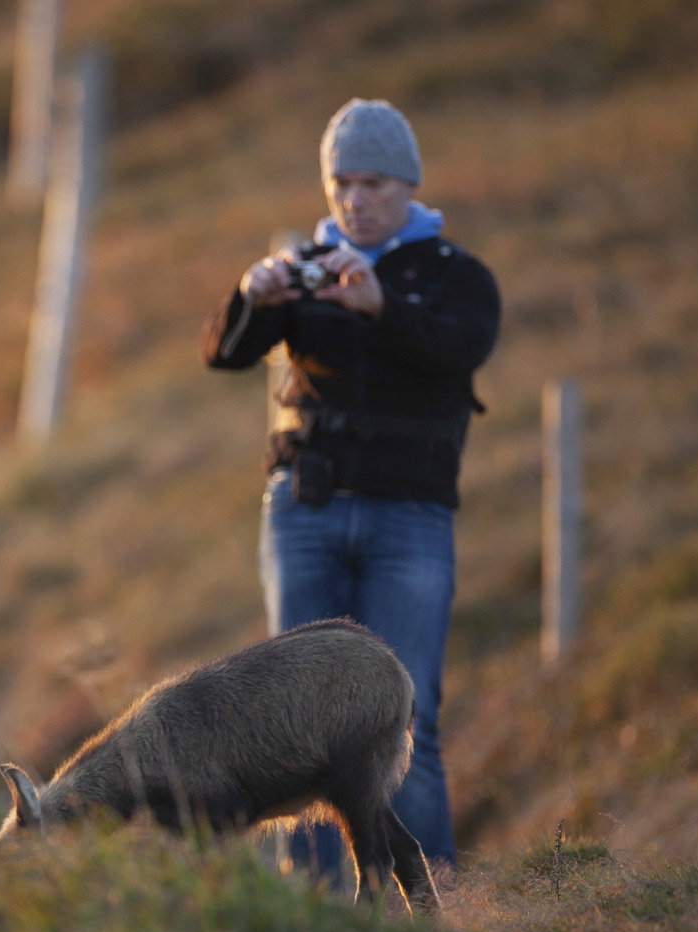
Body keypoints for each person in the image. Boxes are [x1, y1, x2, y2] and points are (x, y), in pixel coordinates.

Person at [200, 98, 500, 874]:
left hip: (412, 519)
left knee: (406, 717)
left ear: (409, 186)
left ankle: (428, 908)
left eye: (372, 184)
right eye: (341, 185)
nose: (355, 201)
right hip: (306, 511)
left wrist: (381, 307)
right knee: (295, 720)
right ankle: (318, 915)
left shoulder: (455, 275)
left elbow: (461, 349)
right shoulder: (306, 271)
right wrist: (252, 297)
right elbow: (226, 354)